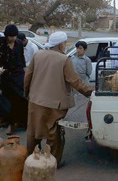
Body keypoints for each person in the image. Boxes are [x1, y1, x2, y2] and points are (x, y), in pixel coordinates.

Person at [24, 31, 93, 166]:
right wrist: (91, 92)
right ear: (61, 45)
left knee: (33, 131)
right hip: (55, 103)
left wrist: (27, 93)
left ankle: (31, 160)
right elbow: (75, 81)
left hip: (35, 100)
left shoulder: (38, 55)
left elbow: (28, 76)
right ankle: (53, 162)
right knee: (53, 133)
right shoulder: (64, 59)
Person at [0, 24, 27, 135]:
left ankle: (22, 122)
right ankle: (10, 124)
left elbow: (22, 58)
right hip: (6, 75)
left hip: (18, 75)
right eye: (11, 37)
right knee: (8, 101)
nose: (13, 39)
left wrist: (24, 70)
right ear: (7, 35)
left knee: (22, 99)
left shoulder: (19, 43)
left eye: (15, 36)